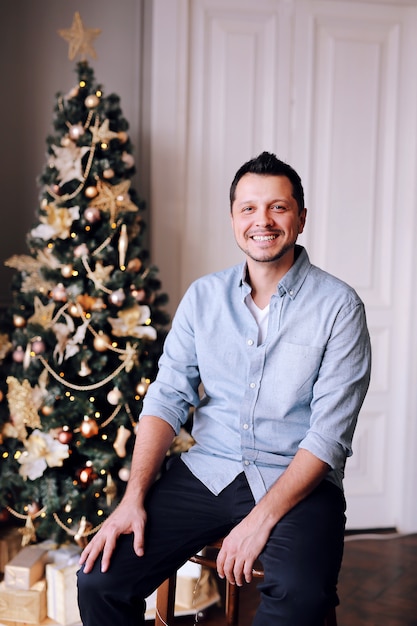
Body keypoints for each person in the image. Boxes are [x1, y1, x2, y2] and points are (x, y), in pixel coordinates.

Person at [77, 152, 371, 626]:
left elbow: (328, 438)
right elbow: (167, 397)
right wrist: (131, 500)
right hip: (206, 471)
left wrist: (258, 521)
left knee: (299, 599)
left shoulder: (340, 307)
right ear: (234, 218)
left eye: (278, 207)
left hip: (298, 481)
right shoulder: (203, 297)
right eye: (249, 208)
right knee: (100, 579)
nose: (263, 221)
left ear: (300, 218)